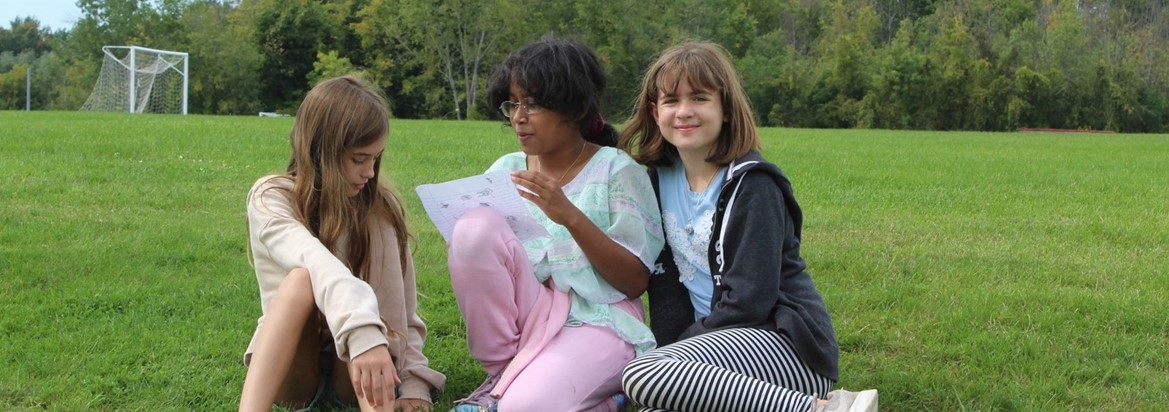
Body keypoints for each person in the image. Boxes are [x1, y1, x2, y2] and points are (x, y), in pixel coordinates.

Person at [617, 41, 878, 412]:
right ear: (655, 111)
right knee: (654, 400)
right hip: (710, 356)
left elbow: (750, 300)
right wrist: (675, 355)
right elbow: (667, 291)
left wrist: (674, 356)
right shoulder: (656, 184)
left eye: (700, 98)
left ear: (725, 109)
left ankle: (821, 408)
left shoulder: (754, 185)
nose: (684, 111)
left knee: (641, 375)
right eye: (671, 100)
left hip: (784, 346)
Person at [445, 37, 664, 412]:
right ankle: (501, 374)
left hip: (598, 321)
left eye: (532, 104)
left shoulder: (616, 170)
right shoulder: (505, 171)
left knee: (523, 408)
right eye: (512, 104)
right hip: (528, 317)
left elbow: (634, 282)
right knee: (471, 228)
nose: (518, 116)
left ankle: (597, 396)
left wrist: (569, 215)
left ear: (574, 106)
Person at [239, 75, 444, 412]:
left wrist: (414, 383)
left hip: (360, 370)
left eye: (376, 159)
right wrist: (361, 329)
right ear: (320, 151)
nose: (370, 172)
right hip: (293, 371)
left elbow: (404, 313)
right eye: (359, 159)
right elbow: (313, 259)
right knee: (301, 279)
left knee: (367, 311)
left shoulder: (380, 211)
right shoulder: (271, 199)